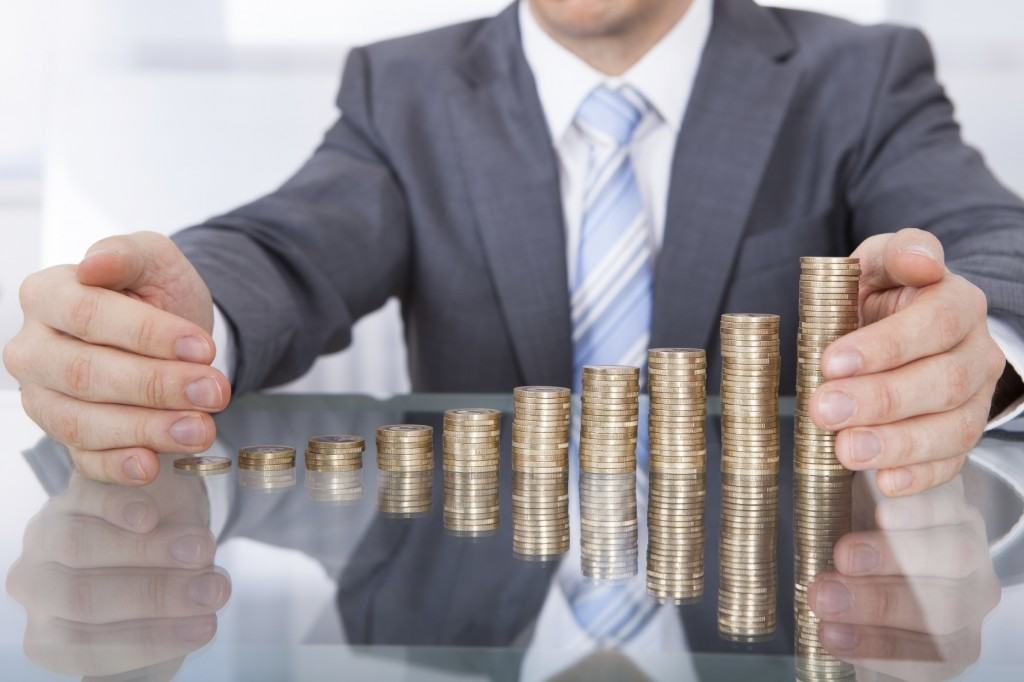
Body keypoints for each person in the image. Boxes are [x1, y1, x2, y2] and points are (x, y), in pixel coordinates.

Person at [5, 0, 1024, 489]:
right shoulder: (398, 90)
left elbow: (991, 243)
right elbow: (286, 247)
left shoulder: (862, 75)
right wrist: (187, 330)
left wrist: (978, 344)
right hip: (476, 600)